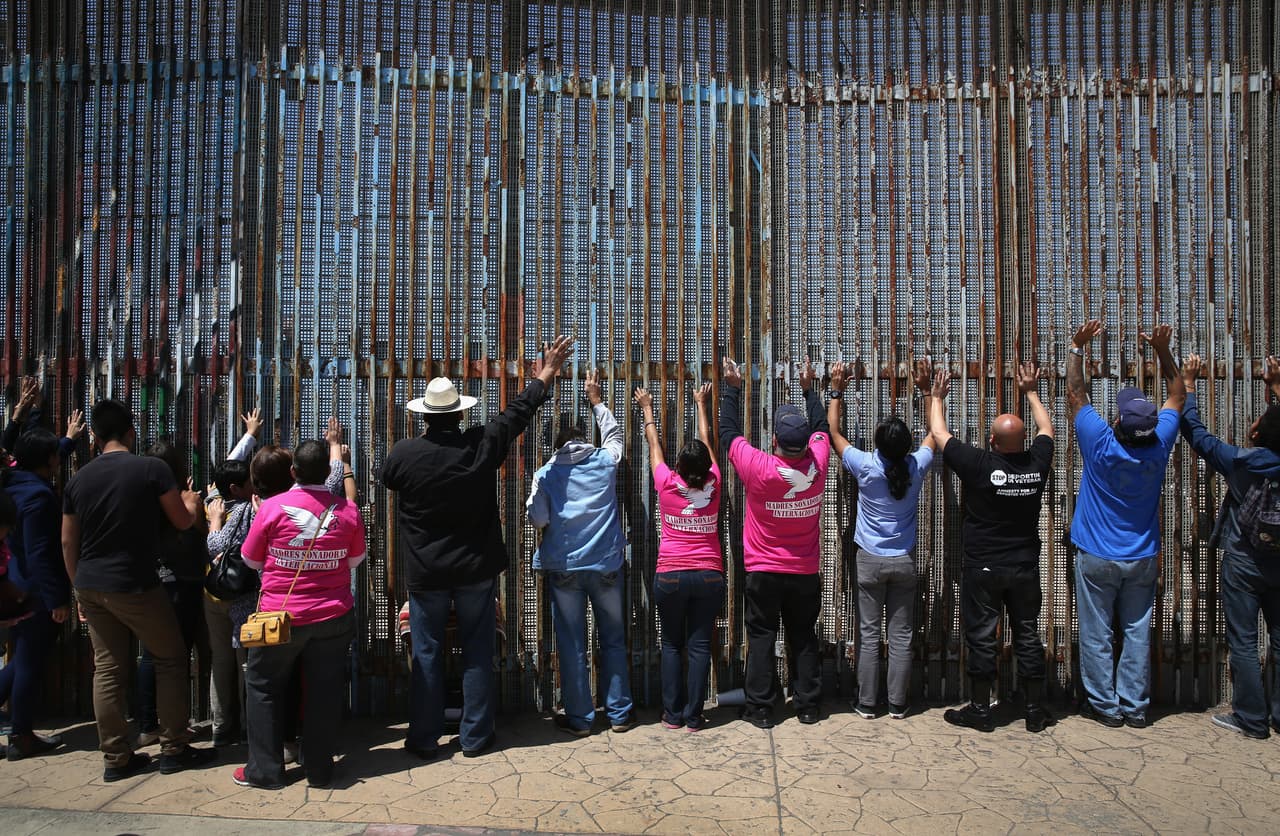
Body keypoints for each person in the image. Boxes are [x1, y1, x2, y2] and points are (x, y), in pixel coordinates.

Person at [382, 335, 574, 759]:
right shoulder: (481, 445)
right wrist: (546, 371)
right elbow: (519, 412)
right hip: (475, 570)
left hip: (427, 574)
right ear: (459, 414)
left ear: (426, 417)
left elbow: (388, 480)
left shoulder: (404, 455)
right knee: (477, 652)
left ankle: (424, 738)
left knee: (427, 654)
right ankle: (474, 737)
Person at [61, 399, 216, 781]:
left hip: (90, 585)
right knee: (170, 658)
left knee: (109, 669)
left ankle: (116, 757)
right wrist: (196, 509)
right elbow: (181, 521)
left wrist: (77, 586)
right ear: (131, 432)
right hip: (135, 583)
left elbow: (67, 542)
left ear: (94, 438)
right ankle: (173, 747)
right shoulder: (152, 469)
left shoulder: (78, 480)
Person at [1067, 320, 1184, 729]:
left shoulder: (1101, 444)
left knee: (1097, 632)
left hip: (1097, 555)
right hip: (1141, 557)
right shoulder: (1161, 444)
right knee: (1136, 631)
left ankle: (1105, 706)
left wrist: (1077, 347)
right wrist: (1163, 351)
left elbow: (1076, 393)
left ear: (1118, 423)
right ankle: (1134, 707)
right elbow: (1178, 393)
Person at [232, 439, 367, 790]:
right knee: (324, 691)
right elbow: (354, 561)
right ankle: (319, 770)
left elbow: (251, 560)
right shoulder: (347, 511)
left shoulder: (272, 507)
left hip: (281, 617)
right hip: (333, 616)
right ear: (328, 473)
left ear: (293, 472)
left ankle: (265, 770)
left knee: (262, 686)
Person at [929, 363, 1056, 733]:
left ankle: (982, 709)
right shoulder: (1037, 464)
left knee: (982, 636)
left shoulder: (980, 464)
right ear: (1022, 442)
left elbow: (939, 434)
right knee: (1028, 633)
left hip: (983, 567)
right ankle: (1033, 709)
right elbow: (1047, 429)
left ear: (992, 441)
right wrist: (1031, 391)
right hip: (1024, 567)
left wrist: (936, 397)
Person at [720, 356, 830, 729]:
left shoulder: (759, 467)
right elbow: (822, 427)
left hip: (764, 569)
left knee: (762, 636)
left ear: (774, 441)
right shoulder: (818, 464)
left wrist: (732, 390)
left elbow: (728, 434)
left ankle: (762, 709)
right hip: (803, 569)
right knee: (803, 636)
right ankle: (808, 705)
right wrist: (809, 389)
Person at [527, 369, 633, 736]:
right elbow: (617, 436)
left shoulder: (546, 473)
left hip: (566, 568)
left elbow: (538, 517)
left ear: (557, 446)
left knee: (573, 646)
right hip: (606, 565)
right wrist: (596, 400)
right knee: (614, 639)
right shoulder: (604, 462)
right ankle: (619, 714)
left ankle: (581, 719)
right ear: (584, 442)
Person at [828, 361, 936, 720]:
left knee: (869, 634)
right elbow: (933, 436)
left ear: (876, 442)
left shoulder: (865, 465)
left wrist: (836, 391)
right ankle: (898, 703)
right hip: (903, 560)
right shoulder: (915, 466)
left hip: (869, 559)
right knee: (902, 635)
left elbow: (833, 433)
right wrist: (927, 393)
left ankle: (867, 703)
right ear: (905, 445)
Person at [1180, 354, 1280, 739]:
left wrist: (1189, 385)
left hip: (1245, 560)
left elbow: (1197, 433)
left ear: (1256, 435)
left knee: (1243, 640)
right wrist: (1276, 387)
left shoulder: (1243, 462)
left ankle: (1251, 719)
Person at [635, 382, 723, 732]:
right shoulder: (714, 482)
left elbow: (654, 445)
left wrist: (646, 408)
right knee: (700, 646)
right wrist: (702, 404)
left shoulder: (666, 483)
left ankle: (671, 715)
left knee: (671, 644)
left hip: (670, 574)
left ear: (681, 467)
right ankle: (693, 716)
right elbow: (707, 441)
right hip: (708, 574)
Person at [1, 416, 80, 760]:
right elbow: (40, 553)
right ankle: (21, 735)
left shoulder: (14, 483)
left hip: (15, 584)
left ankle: (20, 729)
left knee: (21, 661)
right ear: (45, 460)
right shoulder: (38, 497)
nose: (57, 460)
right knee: (29, 663)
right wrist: (57, 598)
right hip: (34, 592)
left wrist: (67, 440)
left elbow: (35, 456)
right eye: (54, 455)